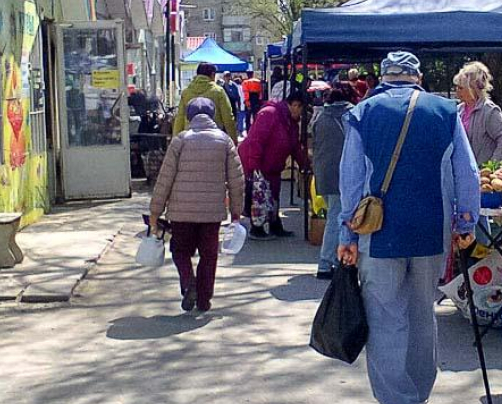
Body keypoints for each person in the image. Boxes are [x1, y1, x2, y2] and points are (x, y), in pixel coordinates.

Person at [338, 51, 480, 404]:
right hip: (431, 232)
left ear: (383, 78)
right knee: (422, 313)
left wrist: (347, 236)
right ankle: (419, 396)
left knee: (386, 319)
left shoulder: (362, 113)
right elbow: (468, 173)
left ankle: (397, 401)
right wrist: (466, 222)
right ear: (417, 78)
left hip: (378, 233)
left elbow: (351, 181)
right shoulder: (446, 112)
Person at [149, 97, 245, 312]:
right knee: (209, 256)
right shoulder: (224, 141)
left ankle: (187, 281)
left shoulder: (180, 140)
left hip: (181, 212)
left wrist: (155, 212)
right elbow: (237, 181)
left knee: (180, 251)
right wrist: (236, 212)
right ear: (212, 116)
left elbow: (165, 178)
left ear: (189, 117)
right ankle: (204, 300)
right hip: (211, 213)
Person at [238, 90, 309, 239]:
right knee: (259, 196)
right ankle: (256, 228)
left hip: (273, 165)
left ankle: (275, 224)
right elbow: (255, 140)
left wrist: (304, 164)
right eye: (301, 109)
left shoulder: (290, 122)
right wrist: (254, 166)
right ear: (295, 105)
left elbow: (294, 146)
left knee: (273, 195)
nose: (301, 114)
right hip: (259, 163)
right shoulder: (269, 114)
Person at [312, 82, 355, 279]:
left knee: (334, 215)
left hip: (324, 173)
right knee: (337, 219)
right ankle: (326, 262)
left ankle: (336, 259)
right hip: (345, 174)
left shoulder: (320, 117)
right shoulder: (353, 115)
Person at [453, 61, 502, 166]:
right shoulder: (458, 110)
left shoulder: (489, 111)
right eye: (456, 87)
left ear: (473, 89)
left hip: (482, 174)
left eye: (461, 88)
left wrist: (492, 167)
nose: (456, 91)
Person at [173, 63, 237, 142]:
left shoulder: (186, 92)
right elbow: (228, 118)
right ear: (213, 75)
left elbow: (180, 118)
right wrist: (233, 140)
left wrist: (175, 140)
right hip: (215, 139)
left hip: (190, 138)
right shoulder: (218, 91)